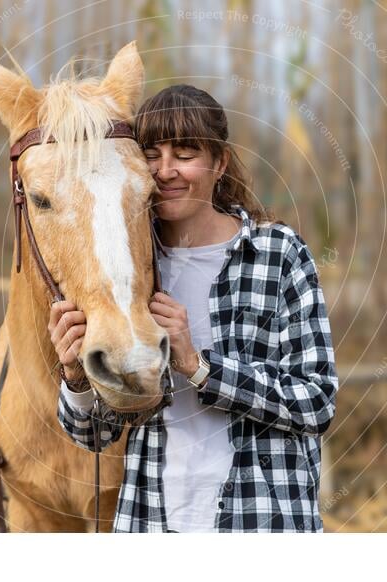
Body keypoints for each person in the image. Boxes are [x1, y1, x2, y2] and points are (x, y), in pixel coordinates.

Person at [52, 84, 339, 533]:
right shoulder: (127, 267)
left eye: (184, 154)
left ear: (220, 163)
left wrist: (200, 367)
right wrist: (75, 377)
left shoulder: (277, 253)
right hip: (153, 522)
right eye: (151, 153)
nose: (165, 170)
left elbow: (316, 403)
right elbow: (95, 435)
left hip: (262, 520)